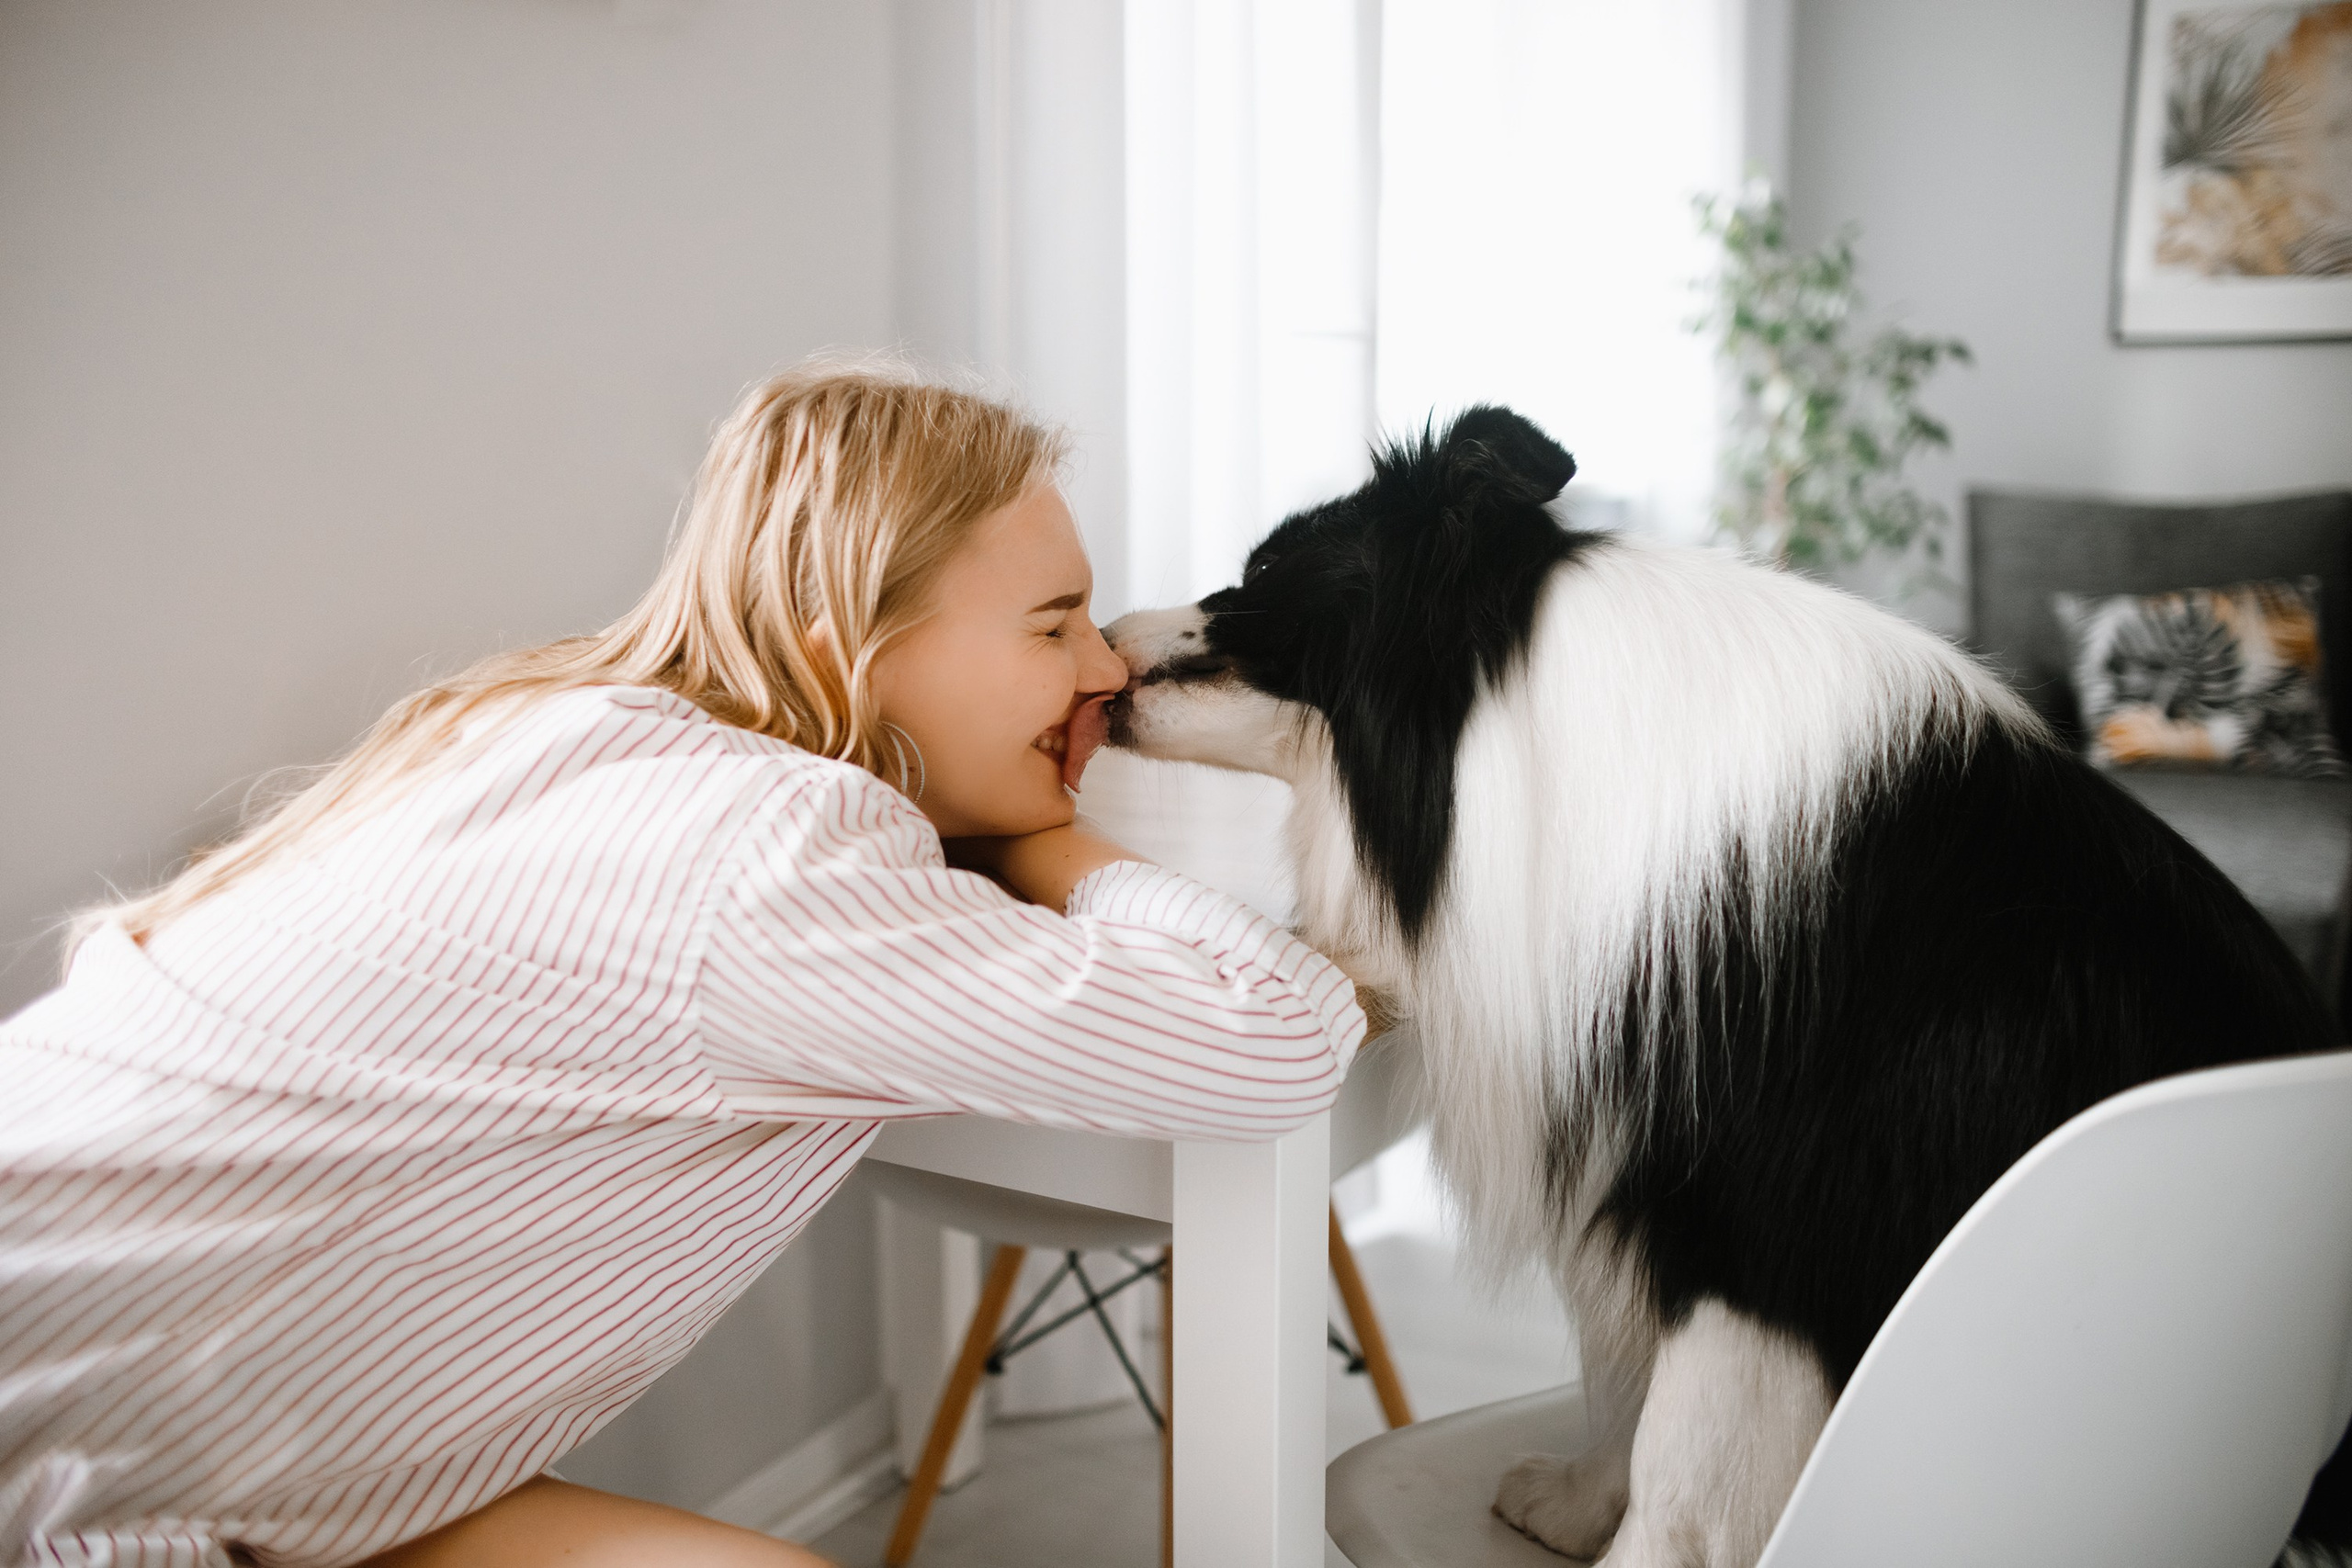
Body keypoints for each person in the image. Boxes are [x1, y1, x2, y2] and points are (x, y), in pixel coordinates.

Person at [0, 364, 1365, 1568]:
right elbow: (1279, 1043)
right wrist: (1054, 843)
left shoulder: (567, 729)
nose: (1106, 668)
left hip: (174, 1418)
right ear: (851, 641)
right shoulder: (772, 851)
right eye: (1053, 623)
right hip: (72, 1466)